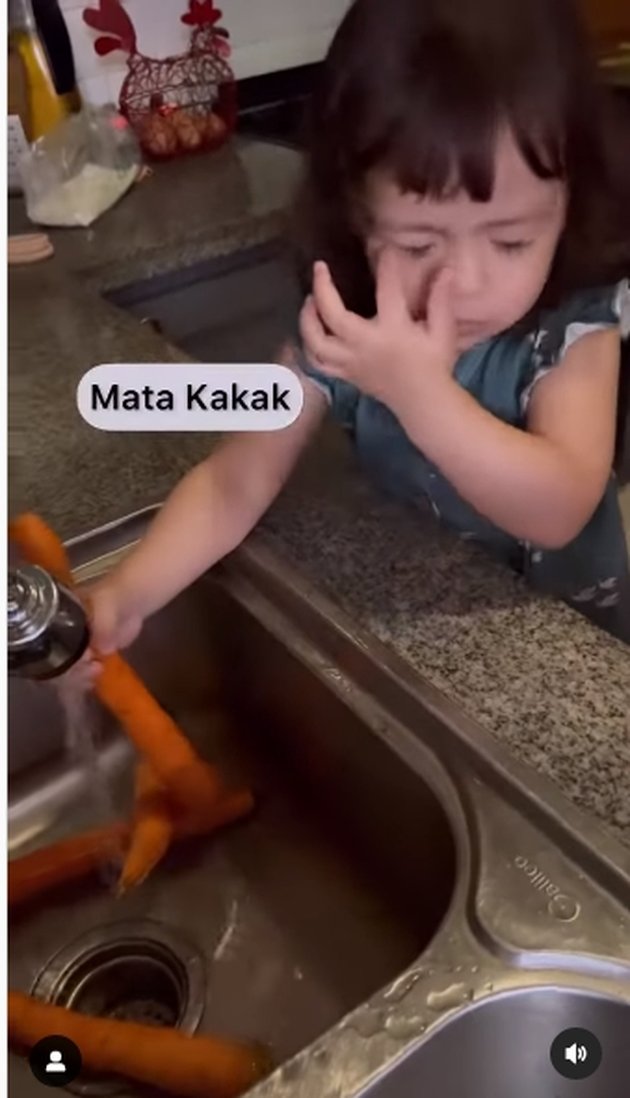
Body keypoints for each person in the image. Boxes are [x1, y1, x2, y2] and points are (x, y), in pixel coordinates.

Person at [89, 0, 630, 650]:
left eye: (511, 241)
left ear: (567, 208)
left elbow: (560, 508)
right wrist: (128, 592)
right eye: (418, 244)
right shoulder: (345, 324)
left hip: (566, 648)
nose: (464, 283)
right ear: (358, 215)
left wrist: (420, 394)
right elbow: (237, 480)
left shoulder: (573, 326)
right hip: (433, 626)